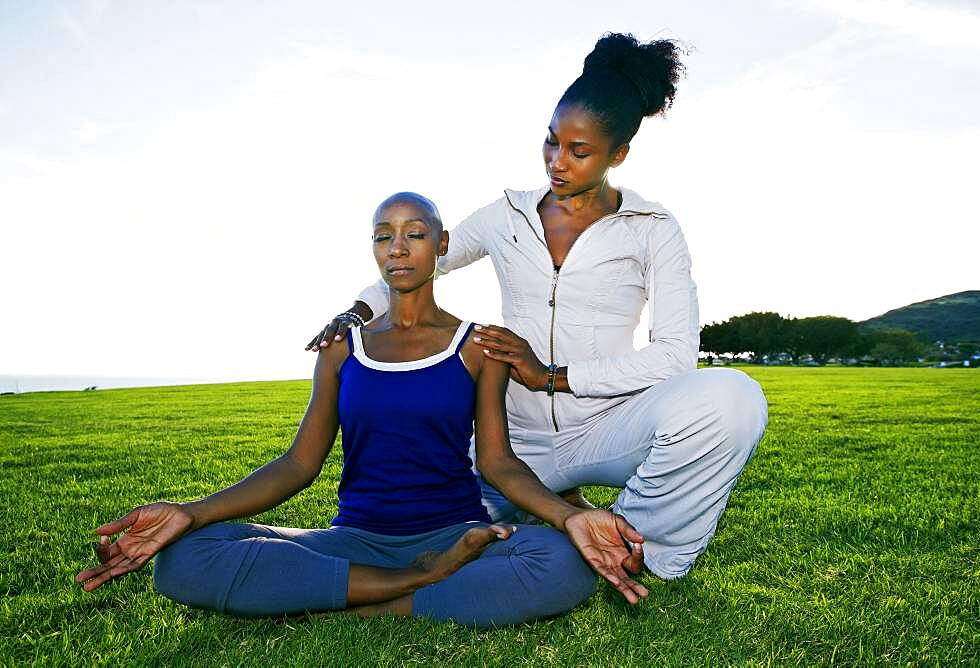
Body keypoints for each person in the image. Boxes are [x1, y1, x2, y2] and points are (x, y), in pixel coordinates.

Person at [307, 33, 769, 580]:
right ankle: (548, 508)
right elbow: (417, 262)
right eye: (551, 142)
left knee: (732, 398)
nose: (557, 161)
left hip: (605, 425)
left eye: (579, 151)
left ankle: (637, 545)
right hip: (505, 445)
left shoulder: (654, 229)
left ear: (617, 155)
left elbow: (674, 356)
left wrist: (553, 376)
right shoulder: (507, 217)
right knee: (442, 541)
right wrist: (358, 310)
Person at [75, 192, 651, 628]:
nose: (397, 247)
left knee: (561, 561)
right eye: (383, 236)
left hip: (457, 533)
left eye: (415, 233)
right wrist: (190, 513)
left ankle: (357, 601)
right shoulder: (341, 350)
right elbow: (298, 465)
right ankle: (415, 584)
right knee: (181, 559)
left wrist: (568, 517)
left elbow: (498, 465)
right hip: (354, 539)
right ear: (374, 249)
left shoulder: (480, 347)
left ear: (442, 246)